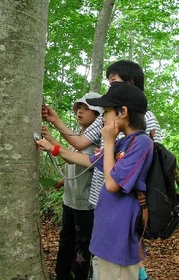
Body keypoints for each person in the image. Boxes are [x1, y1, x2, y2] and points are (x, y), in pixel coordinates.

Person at [42, 60, 161, 280]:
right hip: (105, 233)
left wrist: (107, 143)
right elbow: (88, 159)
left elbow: (113, 184)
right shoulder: (118, 142)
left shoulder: (140, 141)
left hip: (119, 234)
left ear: (122, 112)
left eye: (105, 112)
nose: (102, 117)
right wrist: (53, 147)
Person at [43, 92, 103, 280]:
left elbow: (81, 160)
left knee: (82, 245)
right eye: (79, 108)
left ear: (98, 116)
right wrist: (63, 180)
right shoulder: (78, 135)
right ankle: (62, 275)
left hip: (85, 205)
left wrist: (52, 138)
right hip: (69, 200)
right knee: (66, 240)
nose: (80, 112)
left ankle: (79, 276)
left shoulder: (95, 142)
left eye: (87, 109)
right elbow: (71, 159)